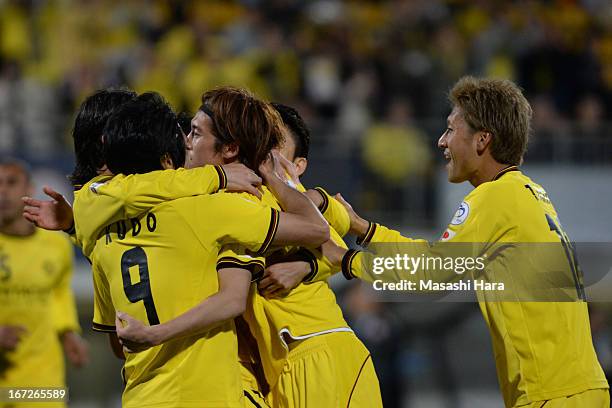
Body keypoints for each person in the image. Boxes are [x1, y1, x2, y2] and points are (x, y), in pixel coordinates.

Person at [296, 76, 611, 407]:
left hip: (552, 395)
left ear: (481, 140)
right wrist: (364, 229)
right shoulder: (528, 194)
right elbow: (434, 259)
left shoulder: (493, 198)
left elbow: (430, 275)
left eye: (450, 129)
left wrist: (347, 261)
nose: (441, 141)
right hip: (580, 388)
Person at [87, 89, 382, 408]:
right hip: (266, 374)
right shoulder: (207, 205)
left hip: (318, 357)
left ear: (231, 149)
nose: (186, 140)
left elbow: (328, 236)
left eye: (196, 133)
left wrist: (310, 260)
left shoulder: (249, 202)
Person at [0, 158, 88, 408]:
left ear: (29, 189)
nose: (2, 191)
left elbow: (58, 293)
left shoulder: (56, 245)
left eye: (11, 183)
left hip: (42, 378)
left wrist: (68, 333)